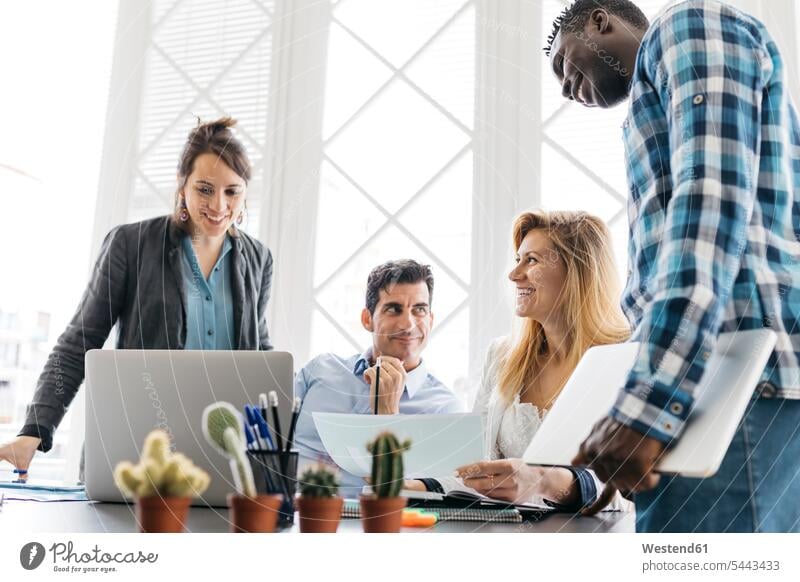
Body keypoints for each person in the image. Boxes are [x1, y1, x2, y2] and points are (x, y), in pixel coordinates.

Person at [545, 0, 800, 532]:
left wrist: (649, 404)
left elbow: (710, 205)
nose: (566, 89)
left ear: (599, 21)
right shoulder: (658, 89)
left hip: (732, 386)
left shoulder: (687, 26)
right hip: (723, 385)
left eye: (564, 64)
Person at [0, 117, 274, 479]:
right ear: (182, 187)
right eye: (205, 189)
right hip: (135, 453)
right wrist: (35, 429)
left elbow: (259, 356)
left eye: (232, 191)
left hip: (223, 460)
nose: (219, 205)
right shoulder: (131, 245)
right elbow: (77, 345)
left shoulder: (258, 259)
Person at [407, 210, 632, 511]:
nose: (514, 275)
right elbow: (478, 472)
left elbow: (630, 483)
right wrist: (416, 486)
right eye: (518, 260)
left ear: (578, 272)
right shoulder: (501, 357)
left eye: (533, 260)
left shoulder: (624, 357)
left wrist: (542, 480)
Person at [293, 259, 465, 498]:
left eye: (419, 309)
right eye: (394, 309)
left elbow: (422, 500)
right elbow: (265, 446)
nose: (408, 324)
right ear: (367, 319)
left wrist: (387, 414)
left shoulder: (446, 409)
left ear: (431, 320)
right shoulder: (319, 371)